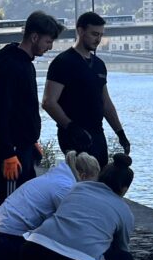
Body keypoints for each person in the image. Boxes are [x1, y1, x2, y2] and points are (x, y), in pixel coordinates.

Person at [0, 127, 100, 260]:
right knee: (58, 247)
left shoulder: (56, 176)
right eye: (91, 183)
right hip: (2, 245)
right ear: (82, 175)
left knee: (46, 234)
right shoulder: (65, 189)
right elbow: (72, 228)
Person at [19, 154, 136, 260]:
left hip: (30, 254)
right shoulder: (123, 210)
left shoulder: (76, 189)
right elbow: (122, 248)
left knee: (58, 244)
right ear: (124, 188)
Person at [0, 11, 62, 204]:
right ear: (34, 37)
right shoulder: (11, 67)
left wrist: (30, 140)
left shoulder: (26, 65)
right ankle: (1, 235)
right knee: (11, 206)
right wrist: (8, 152)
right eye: (48, 42)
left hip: (24, 148)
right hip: (13, 152)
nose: (50, 47)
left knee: (25, 205)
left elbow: (23, 109)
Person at [42, 11, 130, 170]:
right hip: (73, 136)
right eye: (94, 34)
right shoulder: (62, 62)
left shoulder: (99, 65)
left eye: (101, 35)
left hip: (97, 133)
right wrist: (71, 127)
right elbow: (48, 102)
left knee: (99, 180)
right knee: (82, 180)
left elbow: (106, 102)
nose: (98, 39)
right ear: (80, 31)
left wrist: (120, 133)